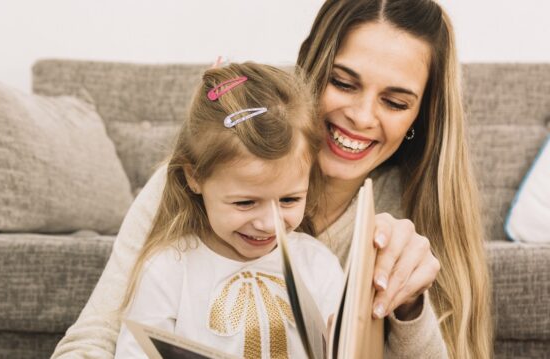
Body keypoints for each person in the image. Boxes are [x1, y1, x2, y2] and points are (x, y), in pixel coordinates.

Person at [52, 0, 490, 358]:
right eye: (342, 82)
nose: (360, 116)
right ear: (312, 72)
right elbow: (93, 339)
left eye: (395, 102)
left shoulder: (410, 208)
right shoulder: (206, 175)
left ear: (420, 116)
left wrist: (409, 306)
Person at [113, 62, 345, 358]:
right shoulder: (169, 268)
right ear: (195, 177)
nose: (267, 224)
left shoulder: (318, 266)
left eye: (289, 200)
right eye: (245, 203)